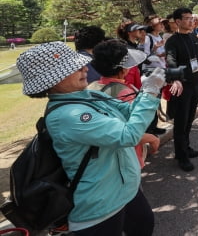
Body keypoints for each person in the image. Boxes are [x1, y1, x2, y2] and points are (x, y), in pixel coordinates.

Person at [16, 41, 165, 235]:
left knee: (144, 226)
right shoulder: (68, 115)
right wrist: (150, 92)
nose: (85, 68)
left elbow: (128, 112)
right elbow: (127, 135)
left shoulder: (85, 96)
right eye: (74, 68)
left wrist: (147, 92)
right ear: (51, 80)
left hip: (123, 190)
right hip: (99, 206)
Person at [88, 39, 161, 169]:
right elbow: (132, 130)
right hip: (126, 157)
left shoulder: (91, 87)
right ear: (123, 70)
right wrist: (152, 138)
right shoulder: (125, 92)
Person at [165, 7, 198, 171]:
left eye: (192, 18)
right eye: (187, 18)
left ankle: (186, 147)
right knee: (181, 121)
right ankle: (181, 155)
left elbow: (197, 59)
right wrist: (175, 79)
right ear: (178, 21)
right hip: (183, 85)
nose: (191, 21)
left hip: (195, 83)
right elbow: (170, 60)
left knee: (189, 118)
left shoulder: (193, 37)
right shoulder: (172, 41)